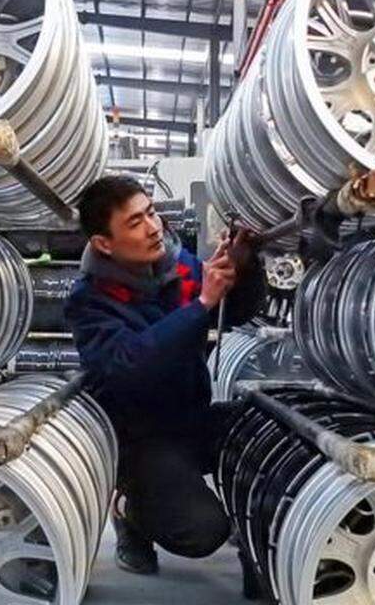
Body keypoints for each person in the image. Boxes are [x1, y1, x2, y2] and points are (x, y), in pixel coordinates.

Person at [64, 175, 265, 575]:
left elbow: (235, 313)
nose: (154, 227)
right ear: (104, 243)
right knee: (202, 532)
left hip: (192, 418)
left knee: (267, 432)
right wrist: (203, 302)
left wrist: (243, 270)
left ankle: (253, 520)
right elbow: (131, 365)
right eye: (135, 222)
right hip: (143, 439)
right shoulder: (90, 301)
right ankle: (131, 510)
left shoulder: (177, 266)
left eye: (151, 212)